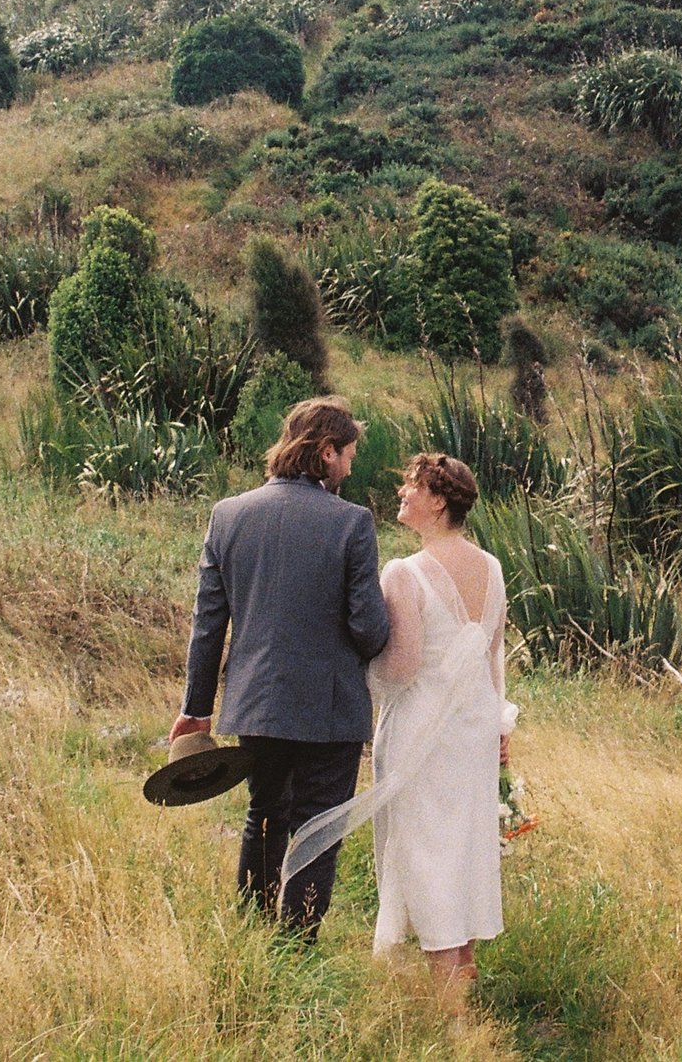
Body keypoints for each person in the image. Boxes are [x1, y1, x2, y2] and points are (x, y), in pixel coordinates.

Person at [281, 452, 513, 995]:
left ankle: (449, 1002)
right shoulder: (494, 567)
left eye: (411, 487)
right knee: (463, 844)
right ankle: (462, 969)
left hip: (422, 727)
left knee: (426, 849)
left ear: (437, 502)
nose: (402, 495)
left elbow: (401, 666)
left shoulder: (405, 573)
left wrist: (359, 676)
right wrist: (500, 727)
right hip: (474, 728)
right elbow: (493, 657)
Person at [172, 397, 390, 938]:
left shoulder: (229, 514)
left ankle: (252, 932)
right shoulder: (352, 523)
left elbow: (207, 626)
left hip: (258, 701)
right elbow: (369, 628)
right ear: (325, 451)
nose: (351, 466)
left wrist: (196, 711)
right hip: (331, 706)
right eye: (348, 456)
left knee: (264, 813)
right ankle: (296, 944)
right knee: (320, 824)